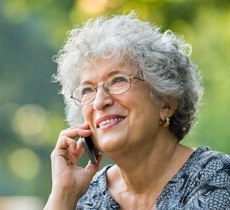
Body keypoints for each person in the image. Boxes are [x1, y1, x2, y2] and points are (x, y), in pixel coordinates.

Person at [44, 12, 230, 210]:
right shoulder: (86, 196)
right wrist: (63, 196)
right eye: (88, 90)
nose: (99, 102)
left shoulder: (217, 179)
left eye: (117, 80)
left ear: (166, 102)